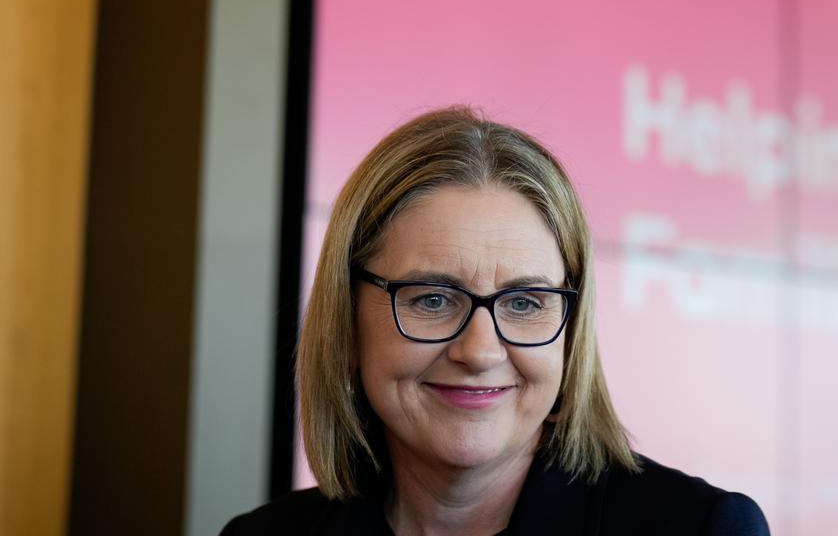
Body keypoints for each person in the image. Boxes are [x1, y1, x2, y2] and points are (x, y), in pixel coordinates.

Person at [223, 107, 770, 535]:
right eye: (433, 299)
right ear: (346, 325)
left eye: (525, 303)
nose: (480, 351)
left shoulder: (700, 529)